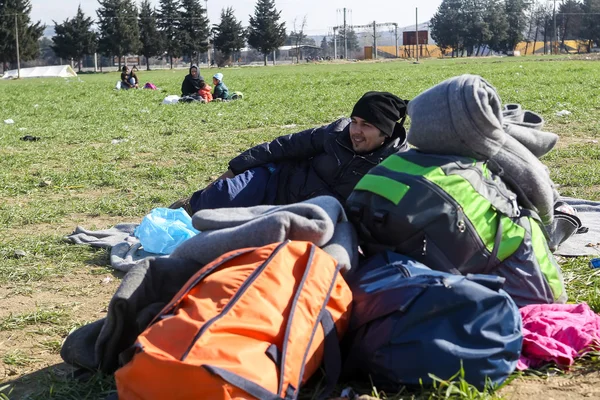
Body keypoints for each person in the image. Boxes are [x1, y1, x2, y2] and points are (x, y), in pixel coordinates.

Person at [169, 91, 409, 215]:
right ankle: (188, 205)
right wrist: (234, 169)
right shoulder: (336, 133)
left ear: (386, 133)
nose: (355, 131)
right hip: (276, 182)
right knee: (219, 198)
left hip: (309, 217)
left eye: (366, 125)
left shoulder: (395, 165)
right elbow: (283, 146)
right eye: (355, 121)